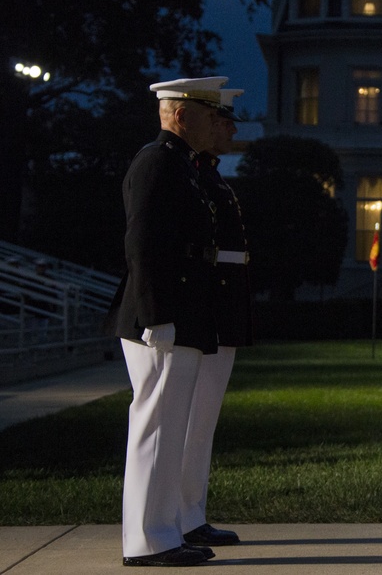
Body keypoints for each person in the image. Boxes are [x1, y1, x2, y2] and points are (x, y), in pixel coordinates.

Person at [106, 76, 227, 567]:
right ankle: (149, 541)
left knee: (167, 428)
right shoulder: (157, 161)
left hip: (179, 311)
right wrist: (156, 315)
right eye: (207, 113)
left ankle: (162, 531)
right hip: (162, 315)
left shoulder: (179, 165)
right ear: (180, 115)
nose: (215, 123)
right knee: (156, 427)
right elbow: (142, 244)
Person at [179, 87, 253, 549]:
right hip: (202, 303)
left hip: (220, 303)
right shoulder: (188, 173)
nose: (229, 130)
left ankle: (190, 514)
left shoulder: (208, 174)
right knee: (186, 420)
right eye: (222, 121)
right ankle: (176, 517)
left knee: (201, 422)